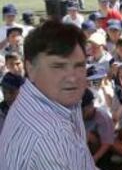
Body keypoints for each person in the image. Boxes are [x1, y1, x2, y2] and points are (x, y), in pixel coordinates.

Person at [0, 21, 96, 169]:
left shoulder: (45, 99)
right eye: (58, 66)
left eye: (79, 66)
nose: (72, 77)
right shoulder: (51, 136)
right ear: (30, 68)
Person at [82, 88, 114, 168]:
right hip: (84, 149)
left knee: (88, 135)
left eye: (82, 110)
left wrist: (94, 158)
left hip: (100, 150)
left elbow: (107, 143)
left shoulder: (102, 117)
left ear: (91, 105)